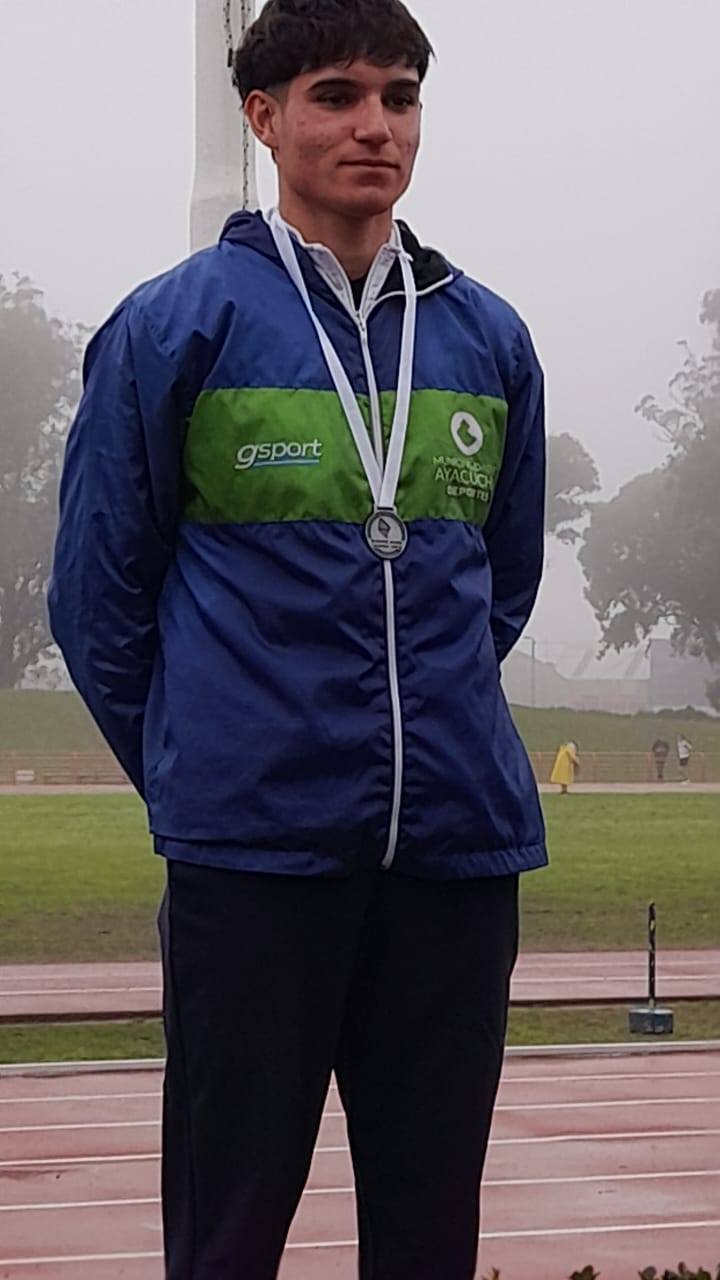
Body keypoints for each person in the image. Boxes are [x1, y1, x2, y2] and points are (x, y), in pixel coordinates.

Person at [48, 2, 547, 1276]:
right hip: (254, 857)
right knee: (228, 1230)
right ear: (263, 118)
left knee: (429, 1233)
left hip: (455, 852)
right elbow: (100, 601)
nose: (376, 125)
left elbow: (500, 586)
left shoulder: (487, 337)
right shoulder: (175, 326)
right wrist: (208, 763)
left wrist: (425, 730)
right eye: (337, 95)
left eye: (400, 96)